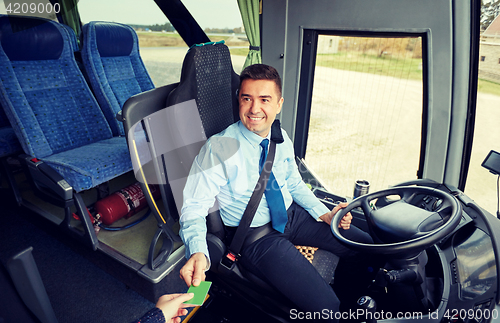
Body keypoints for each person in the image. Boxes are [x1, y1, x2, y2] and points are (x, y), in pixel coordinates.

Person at [179, 64, 371, 320]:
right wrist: (198, 252)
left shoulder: (281, 138)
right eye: (246, 98)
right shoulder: (220, 147)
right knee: (327, 308)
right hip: (257, 237)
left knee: (364, 247)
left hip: (292, 216)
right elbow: (194, 206)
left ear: (279, 104)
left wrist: (322, 213)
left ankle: (351, 304)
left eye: (264, 100)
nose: (254, 109)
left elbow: (293, 182)